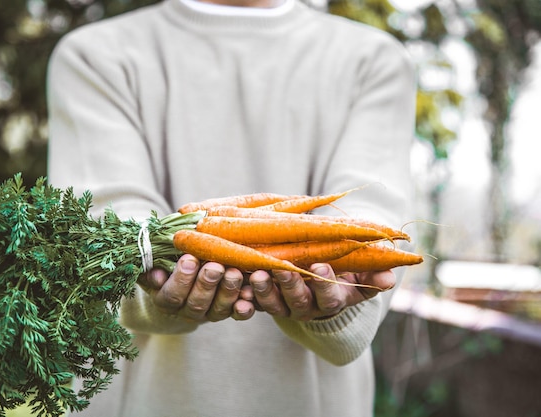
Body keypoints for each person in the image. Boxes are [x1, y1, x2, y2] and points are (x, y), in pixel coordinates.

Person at [46, 0, 417, 415]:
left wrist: (335, 291)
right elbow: (104, 234)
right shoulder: (95, 55)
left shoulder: (372, 60)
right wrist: (153, 281)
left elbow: (368, 233)